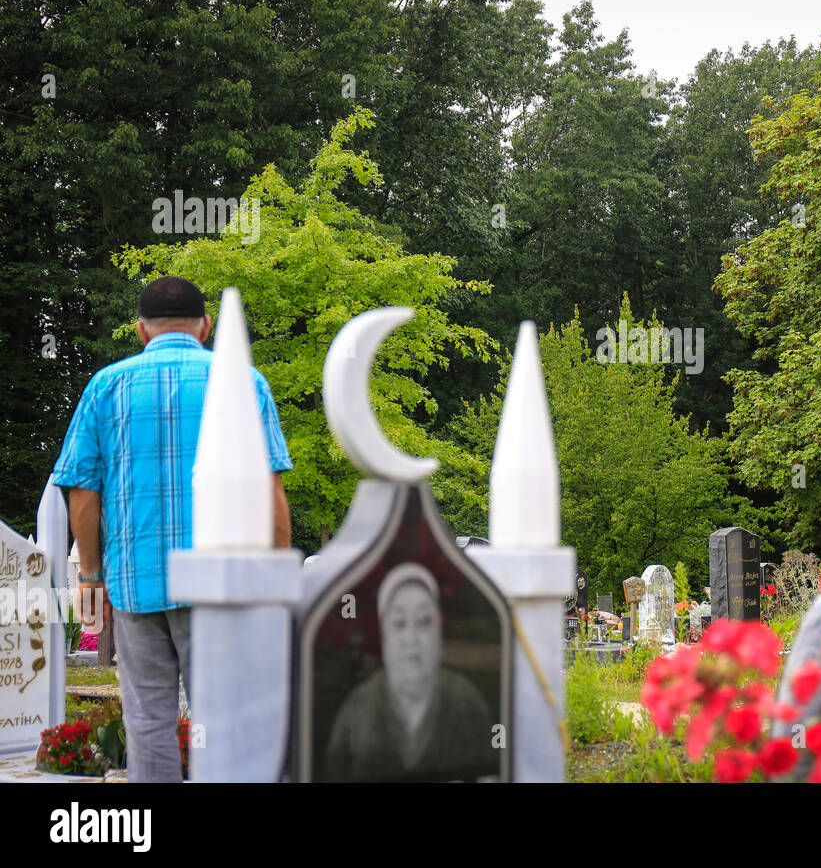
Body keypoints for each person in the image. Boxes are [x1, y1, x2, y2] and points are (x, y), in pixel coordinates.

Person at [51, 276, 292, 782]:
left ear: (141, 331)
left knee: (147, 722)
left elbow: (82, 492)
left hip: (137, 585)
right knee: (224, 721)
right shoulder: (245, 384)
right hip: (221, 590)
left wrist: (92, 576)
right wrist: (275, 580)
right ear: (206, 327)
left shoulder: (106, 386)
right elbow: (269, 489)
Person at [324, 562, 496, 782]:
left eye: (423, 622)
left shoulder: (466, 702)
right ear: (383, 634)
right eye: (399, 623)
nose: (411, 639)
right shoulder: (358, 708)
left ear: (437, 632)